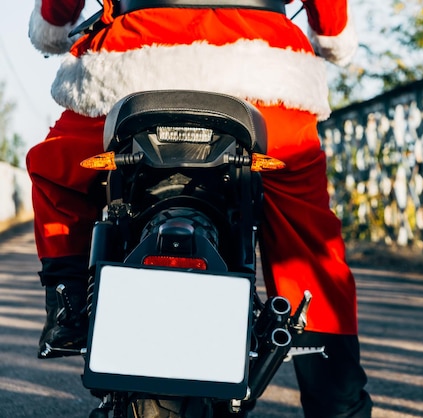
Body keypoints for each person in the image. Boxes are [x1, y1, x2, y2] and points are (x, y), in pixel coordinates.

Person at [27, 0, 373, 416]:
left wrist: (52, 26)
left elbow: (55, 15)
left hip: (128, 70)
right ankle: (338, 404)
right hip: (268, 77)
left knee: (56, 171)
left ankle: (68, 305)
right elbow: (332, 25)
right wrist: (333, 41)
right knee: (309, 243)